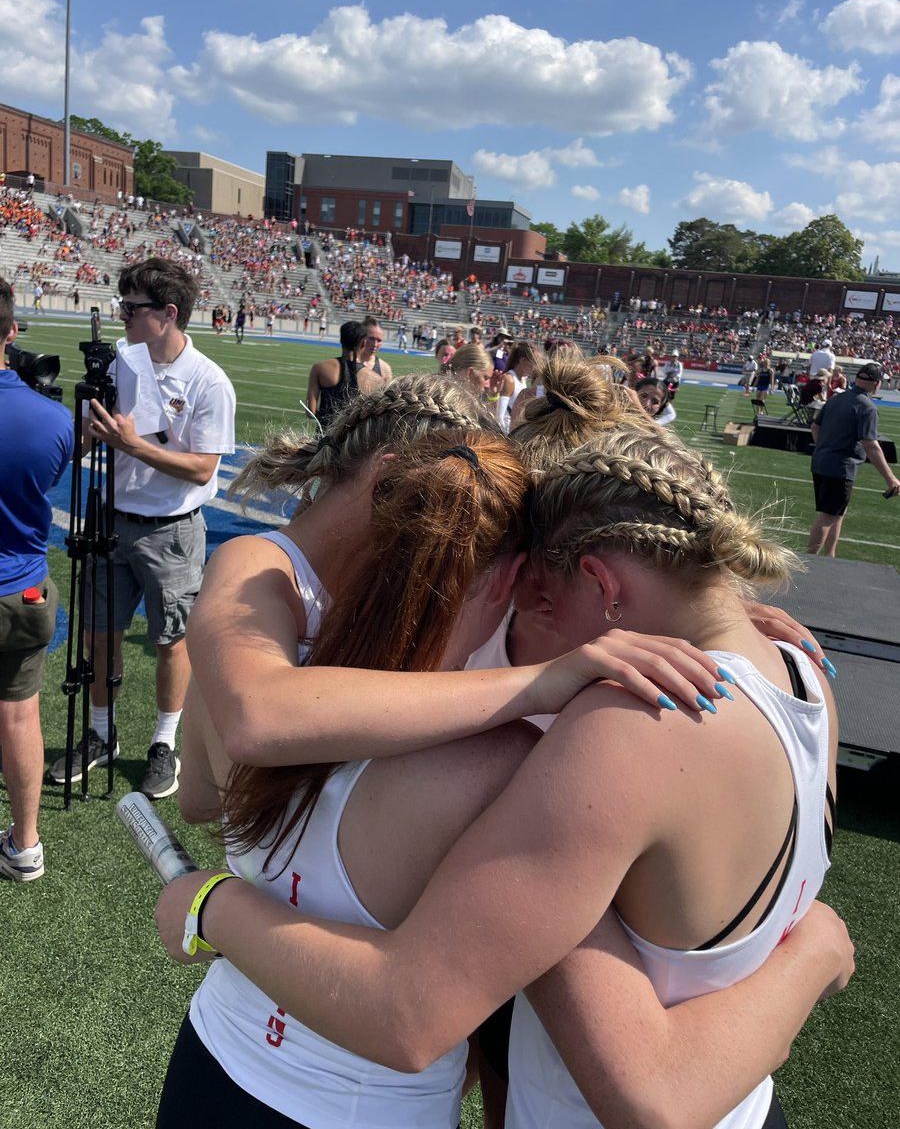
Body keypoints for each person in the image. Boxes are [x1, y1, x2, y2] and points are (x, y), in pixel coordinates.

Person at [157, 411, 850, 1129]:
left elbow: (413, 1014)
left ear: (601, 583)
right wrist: (812, 954)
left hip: (234, 1062)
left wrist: (212, 906)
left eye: (544, 602)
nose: (532, 630)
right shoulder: (808, 679)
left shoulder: (612, 737)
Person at [46, 259, 236, 799]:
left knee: (171, 641)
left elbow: (202, 468)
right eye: (122, 305)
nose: (122, 315)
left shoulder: (208, 380)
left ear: (168, 314)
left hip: (171, 531)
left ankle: (163, 743)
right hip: (110, 518)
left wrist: (132, 446)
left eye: (132, 308)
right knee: (98, 633)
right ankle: (102, 736)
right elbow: (87, 439)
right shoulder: (122, 363)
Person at [0, 278, 74, 880]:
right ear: (11, 331)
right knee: (20, 714)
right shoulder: (52, 419)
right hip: (24, 589)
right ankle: (26, 846)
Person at [807, 361, 900, 557]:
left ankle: (830, 556)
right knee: (827, 516)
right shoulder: (868, 407)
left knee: (837, 513)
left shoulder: (836, 399)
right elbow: (871, 445)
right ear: (876, 384)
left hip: (821, 462)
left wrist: (824, 447)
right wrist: (891, 478)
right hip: (840, 468)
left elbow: (815, 427)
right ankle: (808, 562)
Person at [306, 319, 386, 432]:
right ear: (363, 343)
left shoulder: (319, 368)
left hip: (324, 438)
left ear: (341, 339)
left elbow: (310, 412)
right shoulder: (376, 379)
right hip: (354, 442)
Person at [497, 342, 537, 432]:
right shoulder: (509, 379)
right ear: (523, 360)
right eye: (533, 362)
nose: (534, 366)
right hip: (507, 432)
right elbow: (500, 415)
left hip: (515, 430)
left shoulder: (523, 380)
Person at [357, 316, 393, 384]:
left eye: (379, 340)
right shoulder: (346, 364)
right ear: (361, 336)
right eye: (371, 339)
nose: (375, 344)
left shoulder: (385, 369)